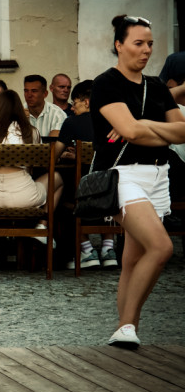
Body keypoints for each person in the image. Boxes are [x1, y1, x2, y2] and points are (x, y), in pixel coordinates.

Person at [91, 15, 183, 348]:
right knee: (161, 247)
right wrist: (147, 129)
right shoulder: (106, 83)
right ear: (119, 44)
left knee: (132, 258)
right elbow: (128, 133)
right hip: (123, 175)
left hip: (159, 176)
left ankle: (126, 328)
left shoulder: (157, 87)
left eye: (150, 44)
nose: (146, 51)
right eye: (138, 43)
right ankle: (126, 326)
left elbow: (182, 132)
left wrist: (144, 123)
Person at [0, 89, 63, 271]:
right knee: (58, 178)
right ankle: (42, 226)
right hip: (23, 197)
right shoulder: (31, 132)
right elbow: (36, 165)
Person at [54, 80, 114, 270]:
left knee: (64, 199)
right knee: (105, 193)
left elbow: (53, 156)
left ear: (87, 102)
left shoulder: (71, 122)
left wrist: (71, 155)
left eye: (76, 102)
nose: (72, 107)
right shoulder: (112, 121)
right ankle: (108, 249)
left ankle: (86, 249)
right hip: (111, 190)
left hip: (82, 192)